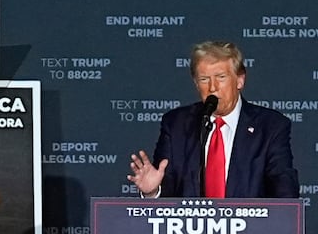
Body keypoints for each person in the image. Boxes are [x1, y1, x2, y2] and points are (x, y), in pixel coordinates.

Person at [127, 40, 299, 199]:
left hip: (250, 230)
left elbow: (284, 192)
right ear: (196, 83)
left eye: (221, 77)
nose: (212, 87)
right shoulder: (176, 124)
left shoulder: (270, 126)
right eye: (204, 79)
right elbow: (168, 190)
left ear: (240, 80)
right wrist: (153, 192)